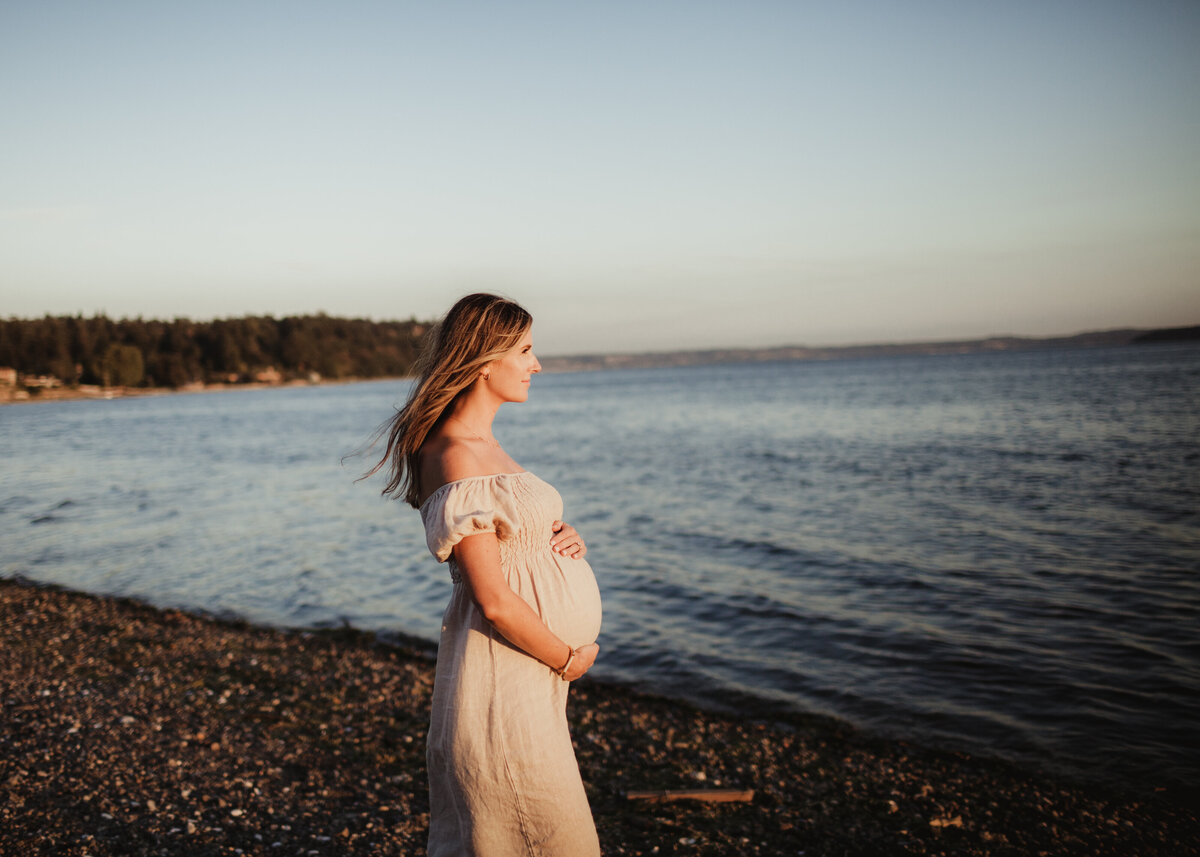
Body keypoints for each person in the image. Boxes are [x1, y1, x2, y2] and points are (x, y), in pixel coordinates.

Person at [369, 293, 603, 856]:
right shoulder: (455, 452)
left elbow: (512, 539)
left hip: (525, 679)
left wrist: (559, 538)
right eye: (525, 350)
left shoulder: (483, 446)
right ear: (484, 359)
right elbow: (492, 598)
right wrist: (567, 659)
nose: (536, 364)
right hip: (504, 681)